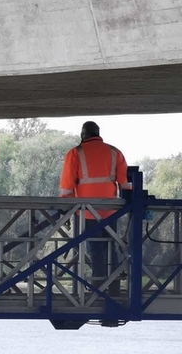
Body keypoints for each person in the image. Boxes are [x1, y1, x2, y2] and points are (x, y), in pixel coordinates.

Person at [60, 121, 131, 294]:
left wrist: (67, 209)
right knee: (110, 247)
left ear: (83, 135)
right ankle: (113, 287)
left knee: (94, 249)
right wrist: (128, 205)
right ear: (98, 134)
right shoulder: (115, 152)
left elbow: (67, 187)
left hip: (86, 211)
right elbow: (126, 185)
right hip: (111, 211)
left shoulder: (76, 153)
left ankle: (98, 287)